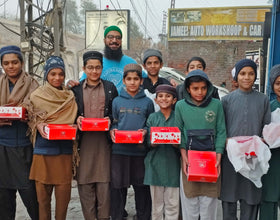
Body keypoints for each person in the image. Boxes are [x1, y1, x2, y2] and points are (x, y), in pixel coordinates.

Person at [220, 59, 271, 220]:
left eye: (251, 74)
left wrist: (262, 141)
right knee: (229, 198)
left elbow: (267, 128)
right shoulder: (227, 100)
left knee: (251, 199)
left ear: (255, 76)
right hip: (231, 159)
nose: (246, 77)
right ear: (236, 77)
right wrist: (228, 142)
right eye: (242, 73)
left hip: (253, 158)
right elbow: (222, 129)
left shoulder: (263, 100)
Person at [28, 56, 78, 220]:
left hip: (64, 154)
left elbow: (74, 118)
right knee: (43, 202)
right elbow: (30, 119)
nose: (57, 78)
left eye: (61, 74)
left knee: (63, 202)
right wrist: (38, 124)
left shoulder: (70, 96)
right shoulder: (36, 96)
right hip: (42, 154)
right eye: (53, 74)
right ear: (46, 76)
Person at [72, 51, 118, 220]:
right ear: (84, 68)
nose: (94, 71)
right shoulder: (75, 89)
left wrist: (110, 120)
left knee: (105, 189)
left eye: (97, 67)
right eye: (90, 67)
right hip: (83, 147)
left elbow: (116, 113)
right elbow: (70, 115)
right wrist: (76, 119)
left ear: (102, 68)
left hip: (104, 147)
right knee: (85, 187)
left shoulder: (110, 88)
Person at [175, 69, 226, 220]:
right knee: (189, 202)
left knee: (209, 204)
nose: (200, 92)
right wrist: (183, 157)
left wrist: (218, 156)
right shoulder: (180, 106)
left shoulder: (216, 105)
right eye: (195, 88)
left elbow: (221, 131)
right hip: (189, 160)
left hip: (211, 161)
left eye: (203, 88)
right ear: (188, 89)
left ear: (208, 87)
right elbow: (179, 133)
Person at [110, 63, 154, 220]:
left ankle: (143, 215)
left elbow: (150, 124)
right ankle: (117, 215)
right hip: (119, 151)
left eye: (136, 79)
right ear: (123, 80)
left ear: (141, 81)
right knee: (118, 186)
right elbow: (114, 122)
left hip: (140, 151)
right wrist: (113, 130)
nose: (132, 82)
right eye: (129, 79)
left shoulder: (147, 102)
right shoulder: (116, 101)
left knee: (141, 187)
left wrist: (146, 132)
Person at [0, 45, 39, 220]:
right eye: (6, 63)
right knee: (4, 196)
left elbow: (40, 110)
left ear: (21, 63)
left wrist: (25, 111)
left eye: (14, 62)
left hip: (24, 146)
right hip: (2, 147)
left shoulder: (33, 84)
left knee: (30, 193)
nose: (11, 66)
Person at [144, 84, 181, 219]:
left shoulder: (178, 117)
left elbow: (183, 141)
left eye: (168, 96)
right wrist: (152, 142)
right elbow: (147, 141)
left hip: (173, 166)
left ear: (174, 100)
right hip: (155, 165)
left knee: (172, 204)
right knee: (156, 206)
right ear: (156, 99)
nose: (164, 99)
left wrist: (176, 143)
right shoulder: (152, 118)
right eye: (160, 96)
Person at [75, 25, 146, 93]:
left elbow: (147, 79)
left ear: (121, 41)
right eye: (110, 37)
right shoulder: (96, 64)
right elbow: (81, 85)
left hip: (126, 105)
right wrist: (69, 84)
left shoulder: (131, 63)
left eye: (118, 38)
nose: (114, 40)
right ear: (104, 40)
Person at [259, 64, 280, 220]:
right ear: (273, 85)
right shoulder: (269, 107)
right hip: (272, 162)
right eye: (278, 83)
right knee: (268, 199)